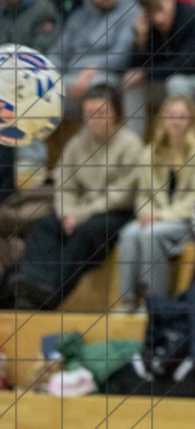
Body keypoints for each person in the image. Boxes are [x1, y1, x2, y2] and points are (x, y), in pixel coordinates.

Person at [2, 85, 141, 310]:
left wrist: (80, 214)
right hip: (77, 211)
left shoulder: (130, 145)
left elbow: (122, 194)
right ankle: (28, 282)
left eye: (100, 113)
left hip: (113, 214)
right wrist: (67, 212)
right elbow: (64, 184)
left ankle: (50, 292)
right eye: (88, 114)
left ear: (116, 114)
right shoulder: (77, 143)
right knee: (46, 225)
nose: (93, 120)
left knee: (84, 234)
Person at [116, 95, 195, 309]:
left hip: (187, 222)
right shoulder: (149, 152)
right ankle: (128, 300)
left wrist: (161, 216)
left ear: (191, 120)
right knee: (129, 233)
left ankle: (154, 301)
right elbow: (143, 194)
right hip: (155, 218)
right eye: (171, 115)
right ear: (163, 119)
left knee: (152, 235)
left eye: (181, 116)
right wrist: (147, 213)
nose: (175, 121)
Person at [122, 0, 195, 139]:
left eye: (160, 8)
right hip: (166, 82)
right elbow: (136, 70)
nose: (158, 18)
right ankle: (133, 144)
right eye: (150, 12)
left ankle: (180, 144)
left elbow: (186, 64)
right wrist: (140, 41)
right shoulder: (151, 27)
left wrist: (145, 73)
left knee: (177, 83)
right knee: (132, 85)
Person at [56, 0, 139, 110]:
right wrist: (47, 77)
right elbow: (58, 53)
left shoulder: (131, 10)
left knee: (97, 87)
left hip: (107, 76)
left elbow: (122, 54)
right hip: (71, 77)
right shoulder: (78, 16)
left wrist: (91, 70)